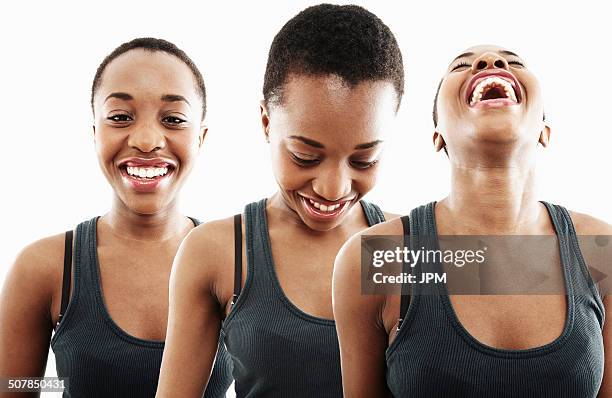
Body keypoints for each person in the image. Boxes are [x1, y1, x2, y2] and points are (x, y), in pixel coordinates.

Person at [333, 44, 612, 397]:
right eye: (462, 66)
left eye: (514, 62)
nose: (490, 63)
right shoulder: (376, 258)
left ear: (545, 130)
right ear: (439, 137)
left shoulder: (601, 250)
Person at [156, 4, 404, 397]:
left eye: (363, 160)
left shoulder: (414, 246)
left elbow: (532, 282)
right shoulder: (216, 253)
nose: (333, 189)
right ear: (266, 122)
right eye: (305, 157)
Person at [0, 38, 232, 398]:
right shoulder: (44, 267)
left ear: (200, 137)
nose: (146, 140)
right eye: (121, 117)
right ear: (96, 133)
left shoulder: (234, 262)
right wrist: (62, 383)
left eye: (173, 119)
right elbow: (12, 385)